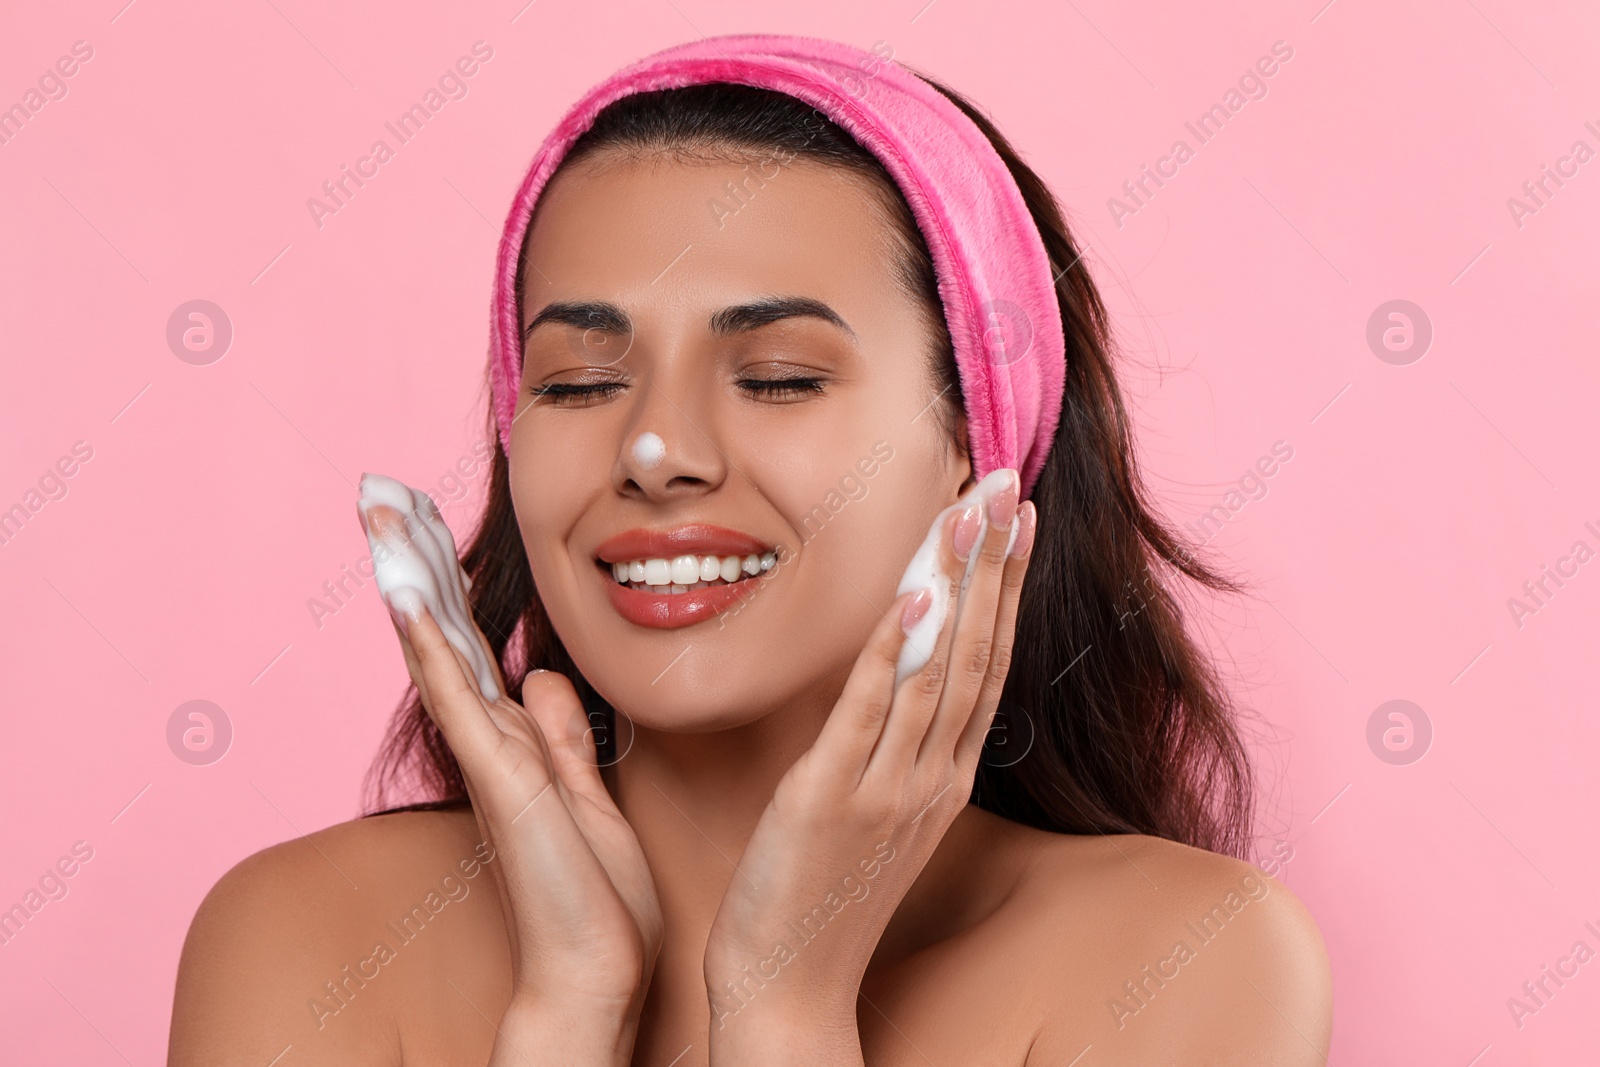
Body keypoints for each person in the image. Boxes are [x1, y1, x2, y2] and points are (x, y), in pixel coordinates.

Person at [168, 34, 1331, 1066]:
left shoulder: (1189, 958)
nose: (656, 448)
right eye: (580, 382)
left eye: (776, 376)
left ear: (978, 441)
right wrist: (568, 1011)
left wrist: (783, 1011)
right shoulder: (303, 937)